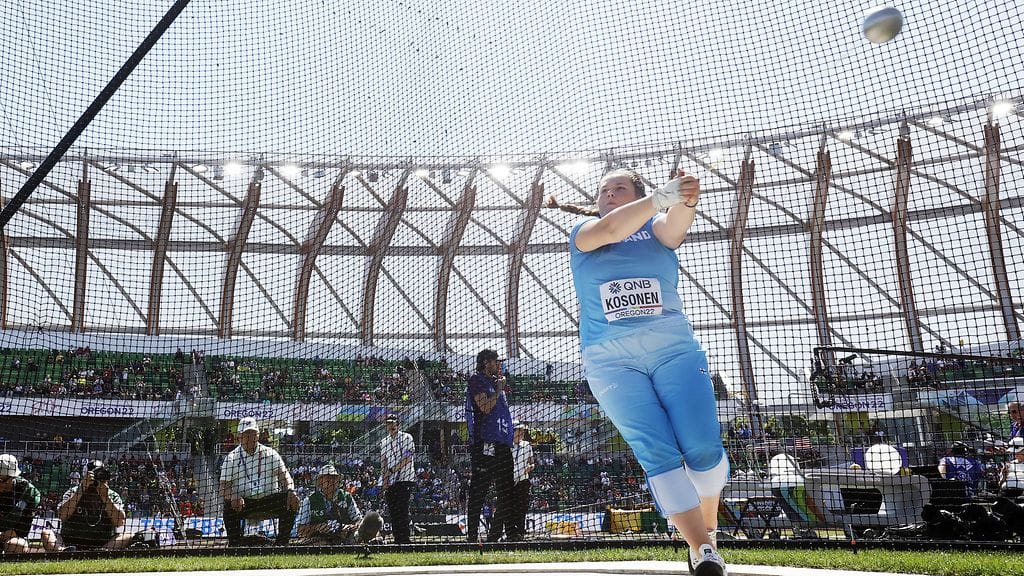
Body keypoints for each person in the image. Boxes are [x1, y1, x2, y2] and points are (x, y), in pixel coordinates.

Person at [558, 168, 728, 575]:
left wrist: (685, 200)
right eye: (603, 190)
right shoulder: (585, 231)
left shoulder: (655, 228)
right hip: (611, 361)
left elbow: (675, 229)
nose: (609, 194)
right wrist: (660, 197)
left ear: (636, 193)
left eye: (619, 188)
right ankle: (704, 550)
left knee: (703, 450)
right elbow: (613, 229)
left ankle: (708, 524)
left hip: (674, 350)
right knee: (657, 453)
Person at [219, 417, 299, 547]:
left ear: (258, 435)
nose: (249, 437)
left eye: (252, 433)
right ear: (239, 437)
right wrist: (233, 496)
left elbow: (286, 477)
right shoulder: (231, 458)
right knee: (228, 505)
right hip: (244, 502)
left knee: (291, 499)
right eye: (246, 434)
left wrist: (291, 490)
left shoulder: (271, 454)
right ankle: (235, 543)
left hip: (269, 500)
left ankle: (281, 543)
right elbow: (223, 487)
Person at [464, 349, 515, 543]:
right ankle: (471, 537)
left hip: (502, 444)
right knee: (479, 490)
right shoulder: (477, 380)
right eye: (496, 361)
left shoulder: (496, 383)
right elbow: (485, 407)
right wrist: (499, 390)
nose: (499, 365)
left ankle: (503, 535)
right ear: (486, 362)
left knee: (507, 490)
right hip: (485, 443)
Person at [43, 460, 133, 551]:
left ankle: (101, 551)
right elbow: (62, 515)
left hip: (103, 541)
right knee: (47, 533)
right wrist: (81, 490)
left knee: (129, 535)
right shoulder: (73, 492)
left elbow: (120, 522)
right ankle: (63, 551)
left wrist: (106, 497)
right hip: (70, 540)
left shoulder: (112, 495)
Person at [296, 464, 382, 545]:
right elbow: (300, 530)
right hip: (320, 539)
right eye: (327, 478)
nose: (331, 481)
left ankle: (375, 543)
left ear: (338, 480)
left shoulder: (346, 497)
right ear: (320, 482)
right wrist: (317, 528)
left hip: (345, 537)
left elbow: (358, 520)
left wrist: (350, 527)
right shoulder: (309, 500)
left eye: (334, 478)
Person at [379, 413, 415, 544]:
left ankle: (405, 539)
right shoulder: (384, 442)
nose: (391, 425)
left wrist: (391, 471)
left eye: (393, 422)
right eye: (388, 423)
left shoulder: (407, 437)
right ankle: (397, 539)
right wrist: (384, 479)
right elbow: (383, 461)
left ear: (398, 424)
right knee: (393, 510)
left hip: (405, 478)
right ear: (385, 426)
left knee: (402, 509)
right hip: (390, 479)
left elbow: (408, 457)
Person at [0, 454, 40, 553]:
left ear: (13, 477)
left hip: (13, 537)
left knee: (18, 546)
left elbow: (22, 529)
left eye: (2, 480)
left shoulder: (28, 491)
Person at [509, 421, 535, 541]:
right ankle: (510, 532)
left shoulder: (527, 445)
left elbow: (532, 462)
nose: (521, 433)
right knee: (510, 508)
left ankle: (520, 532)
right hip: (509, 481)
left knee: (522, 507)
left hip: (523, 481)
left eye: (522, 431)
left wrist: (530, 466)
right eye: (518, 430)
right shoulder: (507, 445)